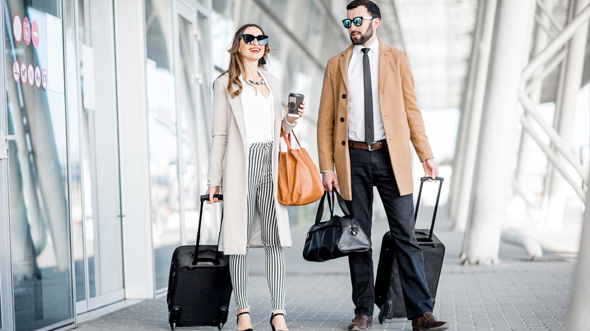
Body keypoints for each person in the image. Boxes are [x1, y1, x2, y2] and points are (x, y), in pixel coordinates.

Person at [316, 1, 449, 330]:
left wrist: (425, 154)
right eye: (348, 23)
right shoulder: (336, 64)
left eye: (358, 21)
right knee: (358, 238)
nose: (352, 28)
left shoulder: (397, 59)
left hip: (392, 157)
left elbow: (411, 110)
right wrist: (326, 167)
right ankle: (362, 311)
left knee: (406, 236)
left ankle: (421, 312)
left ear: (376, 21)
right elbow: (325, 121)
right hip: (353, 159)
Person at [206, 23, 304, 331]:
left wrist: (290, 119)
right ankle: (243, 313)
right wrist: (213, 179)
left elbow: (281, 132)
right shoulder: (224, 83)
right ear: (237, 45)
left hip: (270, 167)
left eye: (261, 38)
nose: (256, 42)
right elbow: (220, 134)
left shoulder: (272, 81)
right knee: (239, 242)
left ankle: (278, 313)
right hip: (240, 165)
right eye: (248, 38)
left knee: (274, 239)